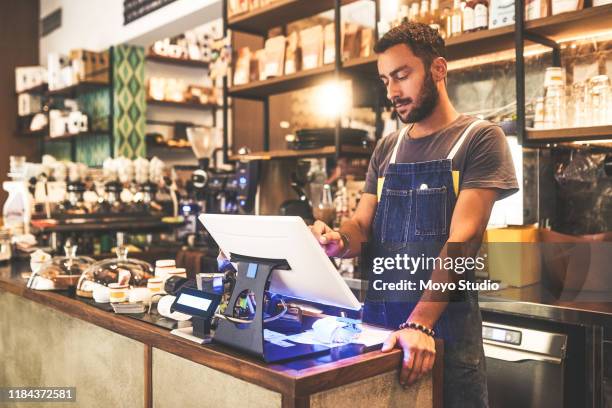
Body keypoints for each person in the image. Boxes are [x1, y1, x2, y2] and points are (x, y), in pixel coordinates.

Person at [310, 22, 518, 408]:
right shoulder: (387, 148)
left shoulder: (480, 139)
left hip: (444, 341)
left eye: (402, 76)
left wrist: (420, 322)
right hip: (381, 336)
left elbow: (464, 240)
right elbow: (361, 225)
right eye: (385, 79)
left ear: (438, 69)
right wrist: (337, 241)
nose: (392, 91)